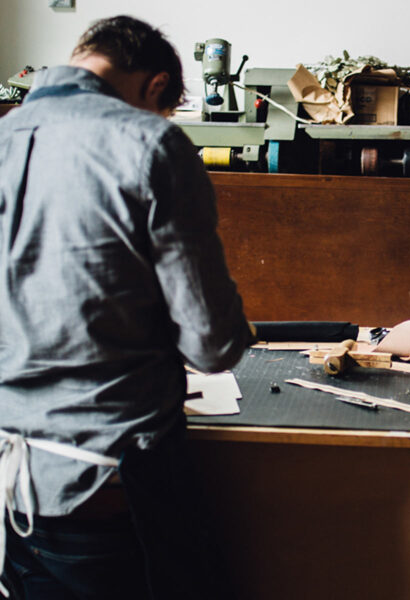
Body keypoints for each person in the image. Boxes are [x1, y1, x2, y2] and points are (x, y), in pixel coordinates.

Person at [0, 16, 254, 599]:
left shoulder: (6, 137)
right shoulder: (151, 143)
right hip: (108, 483)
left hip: (15, 485)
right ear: (157, 86)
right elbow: (213, 346)